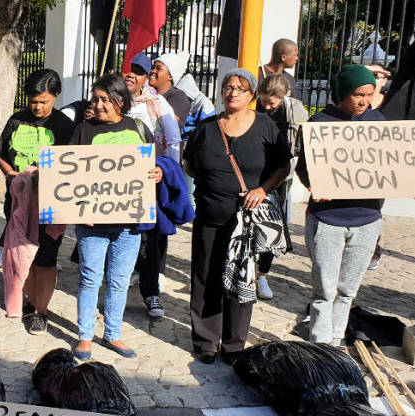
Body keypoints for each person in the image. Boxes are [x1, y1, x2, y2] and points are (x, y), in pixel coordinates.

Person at [295, 65, 415, 346]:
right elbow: (304, 168)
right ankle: (320, 344)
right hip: (327, 219)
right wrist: (314, 187)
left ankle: (336, 340)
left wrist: (414, 184)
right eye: (358, 94)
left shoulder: (378, 122)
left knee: (347, 290)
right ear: (343, 93)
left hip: (367, 220)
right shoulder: (319, 124)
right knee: (324, 290)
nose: (364, 101)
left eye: (369, 94)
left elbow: (392, 166)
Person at [183, 69, 290, 364]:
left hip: (245, 220)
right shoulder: (206, 127)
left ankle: (233, 345)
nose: (232, 93)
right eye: (228, 87)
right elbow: (189, 164)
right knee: (205, 277)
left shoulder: (266, 126)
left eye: (240, 89)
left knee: (241, 278)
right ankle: (206, 340)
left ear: (251, 95)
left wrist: (262, 189)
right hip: (209, 214)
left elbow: (283, 167)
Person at [72, 75, 165, 361]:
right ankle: (85, 337)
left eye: (104, 99)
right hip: (92, 223)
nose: (97, 105)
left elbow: (154, 164)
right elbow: (67, 175)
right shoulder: (83, 130)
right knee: (90, 278)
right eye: (94, 98)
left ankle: (113, 333)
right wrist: (79, 208)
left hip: (129, 223)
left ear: (120, 102)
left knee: (119, 280)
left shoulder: (138, 128)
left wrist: (157, 174)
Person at [0, 69, 75, 334]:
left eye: (44, 101)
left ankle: (40, 310)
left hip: (51, 204)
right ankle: (26, 303)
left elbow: (74, 163)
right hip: (18, 202)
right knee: (21, 255)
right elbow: (1, 153)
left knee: (46, 258)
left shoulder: (65, 127)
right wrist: (11, 175)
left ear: (56, 97)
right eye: (33, 101)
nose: (37, 107)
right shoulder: (16, 121)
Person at [123, 53, 181, 320]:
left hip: (148, 182)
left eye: (139, 71)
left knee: (150, 242)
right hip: (117, 185)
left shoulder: (158, 105)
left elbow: (173, 140)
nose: (131, 75)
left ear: (147, 78)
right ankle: (115, 291)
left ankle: (151, 293)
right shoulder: (111, 101)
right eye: (129, 69)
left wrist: (167, 172)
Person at [253, 73, 308, 300]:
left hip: (280, 177)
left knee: (273, 228)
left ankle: (262, 275)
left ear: (284, 96)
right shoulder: (254, 108)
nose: (266, 106)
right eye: (263, 101)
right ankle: (245, 271)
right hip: (254, 173)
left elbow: (304, 146)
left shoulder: (296, 112)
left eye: (271, 103)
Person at [365, 63, 391, 271]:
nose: (371, 78)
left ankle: (372, 248)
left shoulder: (392, 105)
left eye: (375, 75)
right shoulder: (349, 103)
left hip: (379, 171)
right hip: (351, 170)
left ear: (385, 79)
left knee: (373, 211)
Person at [150, 52, 194, 126]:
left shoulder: (179, 97)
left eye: (158, 68)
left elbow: (169, 122)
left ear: (170, 76)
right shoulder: (147, 92)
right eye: (153, 67)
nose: (153, 71)